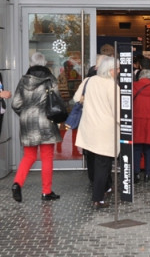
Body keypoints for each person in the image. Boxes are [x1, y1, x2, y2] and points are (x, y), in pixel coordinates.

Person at [10, 52, 63, 203]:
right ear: (44, 63)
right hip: (46, 121)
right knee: (47, 157)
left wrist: (26, 114)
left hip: (27, 122)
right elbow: (57, 100)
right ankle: (46, 192)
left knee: (29, 156)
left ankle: (17, 183)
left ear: (31, 63)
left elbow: (15, 104)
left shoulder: (23, 81)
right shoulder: (50, 79)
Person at [75, 56, 120, 209]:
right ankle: (98, 199)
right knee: (104, 165)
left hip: (88, 129)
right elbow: (117, 112)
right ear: (111, 70)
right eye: (118, 69)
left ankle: (103, 190)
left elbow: (76, 98)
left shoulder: (89, 81)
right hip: (105, 132)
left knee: (93, 163)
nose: (119, 71)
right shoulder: (112, 86)